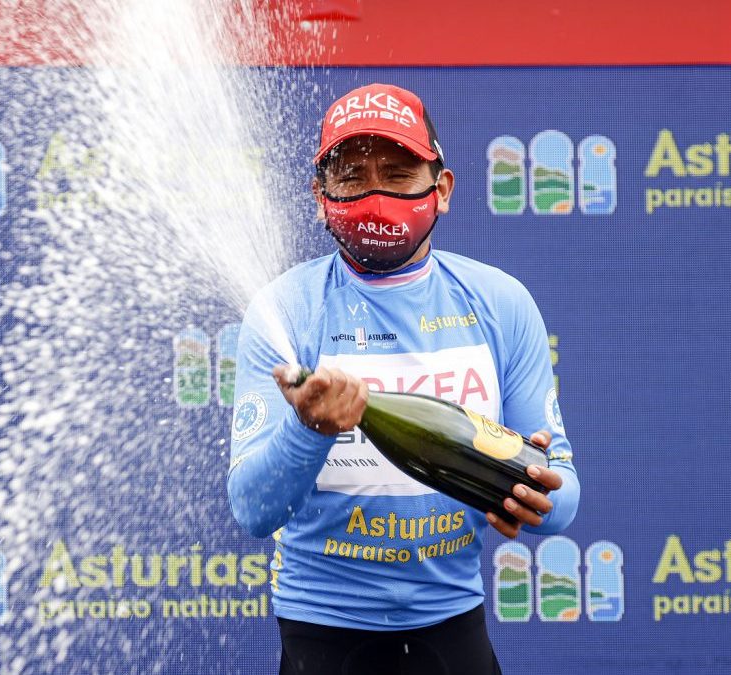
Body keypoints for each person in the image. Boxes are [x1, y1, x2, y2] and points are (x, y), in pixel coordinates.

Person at [227, 83, 580, 675]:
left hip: (452, 629)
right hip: (321, 632)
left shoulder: (501, 302)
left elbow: (564, 496)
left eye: (396, 174)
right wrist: (310, 430)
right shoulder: (281, 311)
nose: (374, 195)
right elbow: (252, 510)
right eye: (350, 177)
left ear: (440, 190)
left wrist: (534, 490)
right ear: (320, 198)